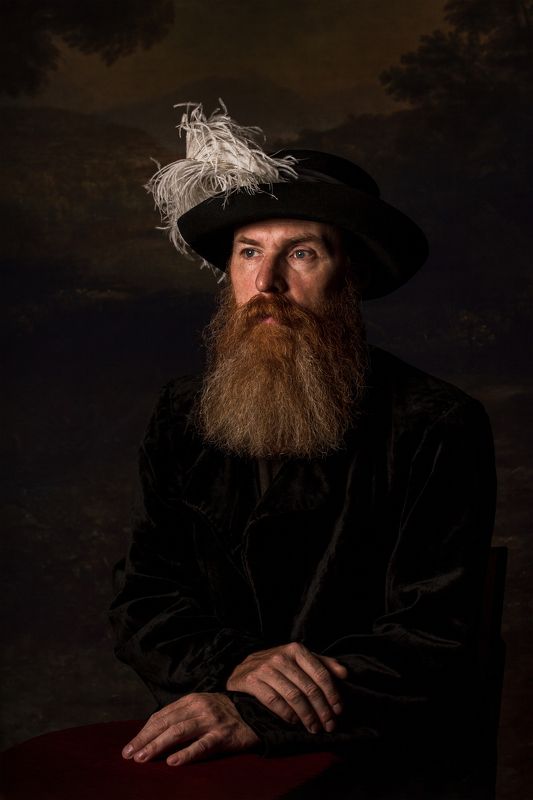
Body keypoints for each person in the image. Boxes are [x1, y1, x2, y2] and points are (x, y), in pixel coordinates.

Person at [109, 105, 496, 794]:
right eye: (248, 251)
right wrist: (231, 666)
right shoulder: (181, 414)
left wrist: (259, 711)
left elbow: (435, 633)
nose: (267, 283)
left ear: (352, 275)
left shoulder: (436, 424)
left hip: (375, 755)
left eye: (302, 253)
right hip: (214, 739)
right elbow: (145, 595)